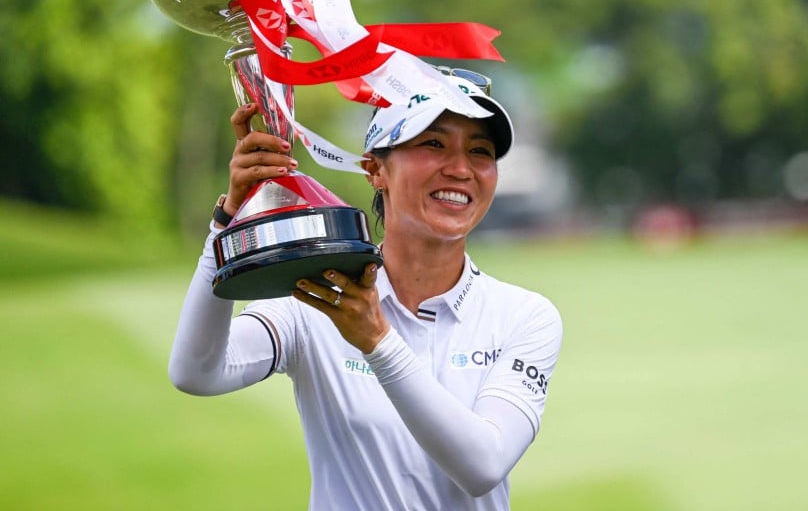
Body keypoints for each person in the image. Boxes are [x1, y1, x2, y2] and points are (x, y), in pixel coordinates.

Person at [168, 69, 563, 511]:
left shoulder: (524, 316)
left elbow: (483, 466)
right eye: (433, 144)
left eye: (480, 151)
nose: (460, 168)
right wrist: (227, 221)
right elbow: (196, 372)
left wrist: (377, 342)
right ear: (375, 169)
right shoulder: (318, 299)